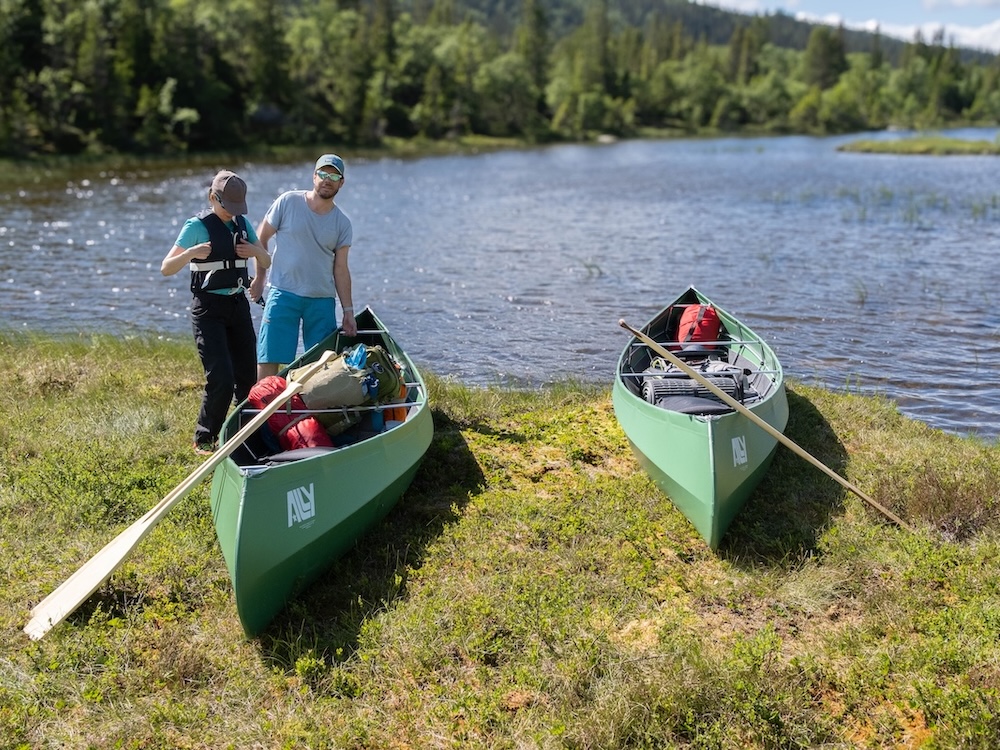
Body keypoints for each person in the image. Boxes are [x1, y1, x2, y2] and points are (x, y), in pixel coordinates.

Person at [160, 170, 271, 455]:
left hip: (238, 306)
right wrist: (189, 254)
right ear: (213, 197)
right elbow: (166, 268)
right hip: (208, 309)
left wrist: (255, 254)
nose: (232, 214)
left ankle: (243, 433)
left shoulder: (243, 224)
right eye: (227, 207)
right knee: (221, 376)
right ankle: (205, 438)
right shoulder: (196, 226)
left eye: (237, 209)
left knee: (247, 377)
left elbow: (267, 259)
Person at [250, 154, 356, 380]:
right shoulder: (288, 201)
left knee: (323, 364)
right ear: (314, 176)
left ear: (341, 182)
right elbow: (261, 239)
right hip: (283, 292)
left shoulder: (342, 223)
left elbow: (341, 270)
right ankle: (262, 408)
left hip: (321, 300)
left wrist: (348, 311)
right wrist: (260, 278)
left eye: (334, 176)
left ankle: (312, 412)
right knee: (269, 355)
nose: (327, 180)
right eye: (323, 174)